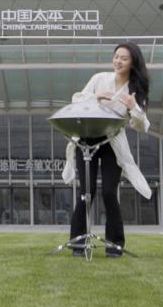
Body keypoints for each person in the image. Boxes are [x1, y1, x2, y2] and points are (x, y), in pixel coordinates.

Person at [62, 42, 154, 258]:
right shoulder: (99, 79)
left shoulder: (135, 89)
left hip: (111, 142)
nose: (118, 61)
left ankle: (115, 245)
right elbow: (76, 100)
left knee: (110, 193)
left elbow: (142, 126)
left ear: (133, 62)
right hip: (86, 139)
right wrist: (96, 97)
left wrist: (133, 108)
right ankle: (78, 243)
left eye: (124, 58)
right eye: (116, 57)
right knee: (87, 192)